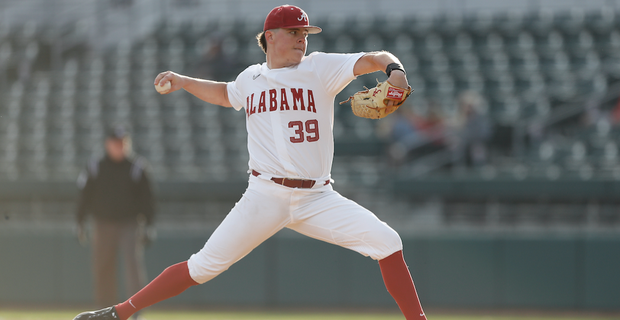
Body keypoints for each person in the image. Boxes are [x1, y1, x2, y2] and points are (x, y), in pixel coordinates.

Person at [73, 5, 426, 320]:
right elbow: (225, 93)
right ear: (270, 36)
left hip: (318, 197)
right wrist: (182, 81)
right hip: (265, 195)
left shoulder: (320, 67)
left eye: (305, 33)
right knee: (202, 266)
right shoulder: (250, 78)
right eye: (294, 32)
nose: (303, 39)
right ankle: (118, 314)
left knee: (387, 240)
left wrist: (395, 70)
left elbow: (375, 57)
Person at [76, 125, 155, 319]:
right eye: (116, 143)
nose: (120, 146)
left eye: (123, 143)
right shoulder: (95, 165)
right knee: (103, 267)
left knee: (132, 268)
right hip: (102, 224)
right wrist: (80, 221)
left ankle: (136, 310)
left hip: (129, 224)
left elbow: (148, 198)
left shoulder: (137, 166)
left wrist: (149, 224)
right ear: (107, 144)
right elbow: (84, 195)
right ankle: (105, 310)